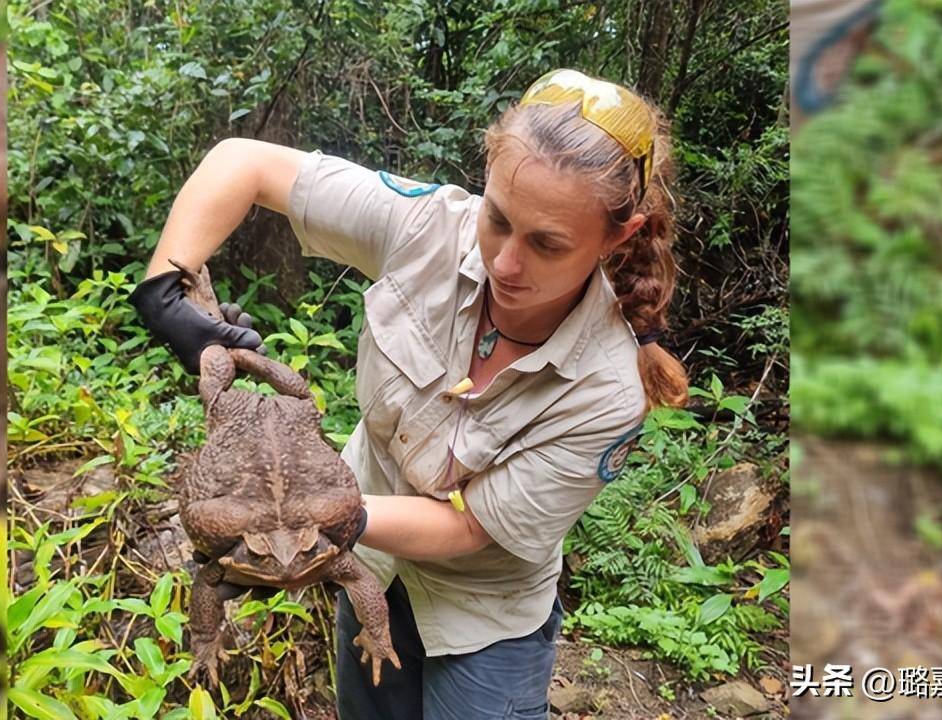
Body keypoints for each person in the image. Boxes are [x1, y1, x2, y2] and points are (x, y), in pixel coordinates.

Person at [130, 68, 688, 719]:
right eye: (499, 219)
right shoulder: (426, 227)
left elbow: (470, 527)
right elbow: (243, 164)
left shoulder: (607, 389)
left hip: (482, 617)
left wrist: (314, 523)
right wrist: (165, 294)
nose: (505, 263)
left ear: (618, 235)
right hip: (368, 569)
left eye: (547, 244)